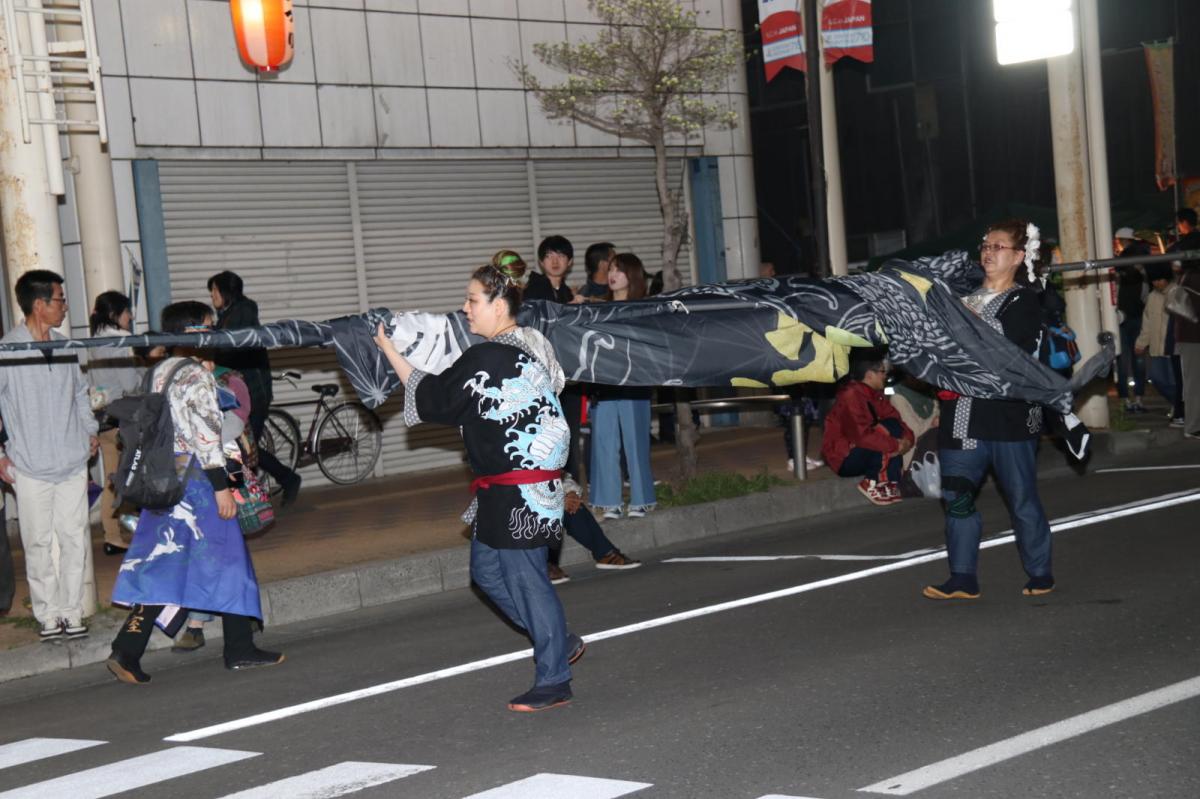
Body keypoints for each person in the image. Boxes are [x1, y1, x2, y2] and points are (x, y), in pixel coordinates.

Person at [373, 260, 585, 712]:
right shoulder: (531, 343)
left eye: (472, 300)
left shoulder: (488, 357)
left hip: (520, 489)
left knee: (527, 582)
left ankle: (554, 679)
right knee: (487, 572)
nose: (464, 308)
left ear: (499, 304)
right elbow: (554, 384)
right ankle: (559, 641)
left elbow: (435, 398)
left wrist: (389, 350)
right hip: (511, 486)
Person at [106, 301, 283, 684]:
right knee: (230, 560)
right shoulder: (197, 377)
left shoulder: (158, 371)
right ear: (190, 332)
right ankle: (240, 649)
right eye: (208, 324)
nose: (214, 329)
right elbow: (206, 437)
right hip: (200, 482)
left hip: (165, 479)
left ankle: (127, 648)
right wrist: (222, 490)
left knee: (158, 563)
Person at [923, 220, 1057, 600]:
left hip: (1009, 416)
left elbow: (1009, 351)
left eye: (998, 246)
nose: (988, 252)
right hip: (961, 415)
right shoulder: (960, 296)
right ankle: (963, 577)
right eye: (985, 244)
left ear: (1018, 256)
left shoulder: (1024, 302)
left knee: (1021, 498)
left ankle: (1040, 570)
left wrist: (960, 327)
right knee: (957, 496)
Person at [0, 271, 99, 641]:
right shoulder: (7, 349)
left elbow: (79, 396)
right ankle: (47, 615)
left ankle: (72, 613)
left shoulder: (66, 345)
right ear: (39, 304)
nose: (64, 305)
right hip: (29, 466)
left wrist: (89, 432)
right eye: (59, 298)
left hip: (72, 461)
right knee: (38, 543)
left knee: (75, 539)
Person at [207, 271, 302, 504]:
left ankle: (282, 481)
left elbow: (232, 345)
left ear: (225, 291)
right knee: (245, 446)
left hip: (252, 392)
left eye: (214, 291)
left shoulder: (243, 311)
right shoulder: (229, 314)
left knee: (247, 448)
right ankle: (281, 481)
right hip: (242, 392)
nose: (212, 297)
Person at [588, 254, 657, 520]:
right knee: (604, 441)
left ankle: (642, 499)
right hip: (604, 382)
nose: (612, 274)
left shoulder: (643, 308)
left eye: (619, 270)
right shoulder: (599, 308)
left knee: (636, 440)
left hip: (634, 382)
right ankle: (609, 502)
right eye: (611, 269)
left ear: (633, 275)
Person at [86, 291, 145, 555]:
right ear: (114, 314)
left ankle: (116, 533)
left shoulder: (92, 342)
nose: (130, 316)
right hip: (123, 417)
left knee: (115, 476)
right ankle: (118, 534)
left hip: (102, 416)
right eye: (126, 311)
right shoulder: (119, 341)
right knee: (127, 477)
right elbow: (130, 384)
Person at [820, 350, 913, 506]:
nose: (885, 375)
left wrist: (907, 440)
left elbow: (898, 421)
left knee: (892, 425)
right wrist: (896, 445)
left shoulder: (875, 395)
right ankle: (873, 481)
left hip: (862, 452)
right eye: (882, 372)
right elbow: (861, 436)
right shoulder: (850, 395)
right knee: (882, 434)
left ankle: (889, 482)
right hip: (844, 458)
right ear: (869, 375)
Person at [1167, 208, 1200, 439]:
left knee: (1192, 382)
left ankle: (1193, 425)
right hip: (1191, 334)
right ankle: (1193, 425)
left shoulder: (1186, 279)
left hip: (1189, 335)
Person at [1136, 263, 1182, 422]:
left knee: (1176, 382)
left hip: (1174, 348)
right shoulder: (1152, 297)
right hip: (1156, 348)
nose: (1157, 283)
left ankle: (1181, 409)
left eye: (1160, 279)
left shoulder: (1178, 293)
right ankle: (1179, 405)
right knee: (1157, 379)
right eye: (1154, 280)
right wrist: (1141, 343)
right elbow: (1147, 322)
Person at [1114, 227, 1149, 412]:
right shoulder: (1143, 264)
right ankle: (1139, 399)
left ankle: (1124, 400)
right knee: (1139, 358)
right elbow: (1145, 293)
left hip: (1121, 317)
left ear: (1120, 240)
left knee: (1122, 359)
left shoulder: (1118, 264)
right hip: (1138, 316)